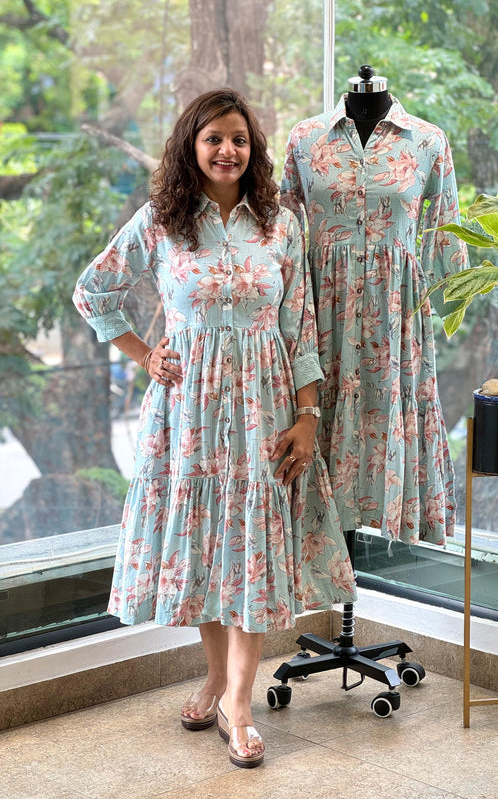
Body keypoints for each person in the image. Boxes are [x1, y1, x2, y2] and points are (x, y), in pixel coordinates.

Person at [73, 89, 356, 769]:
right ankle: (218, 681)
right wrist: (147, 354)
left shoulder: (281, 225)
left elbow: (303, 329)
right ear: (190, 147)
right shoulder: (161, 222)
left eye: (239, 138)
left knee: (251, 543)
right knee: (206, 545)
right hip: (190, 410)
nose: (228, 150)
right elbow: (94, 291)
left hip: (264, 404)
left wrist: (308, 417)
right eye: (213, 139)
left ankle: (239, 700)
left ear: (252, 148)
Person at [280, 66, 468, 547]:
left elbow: (447, 228)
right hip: (322, 307)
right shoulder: (305, 138)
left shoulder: (428, 141)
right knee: (318, 410)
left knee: (389, 407)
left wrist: (452, 292)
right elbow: (281, 229)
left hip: (396, 310)